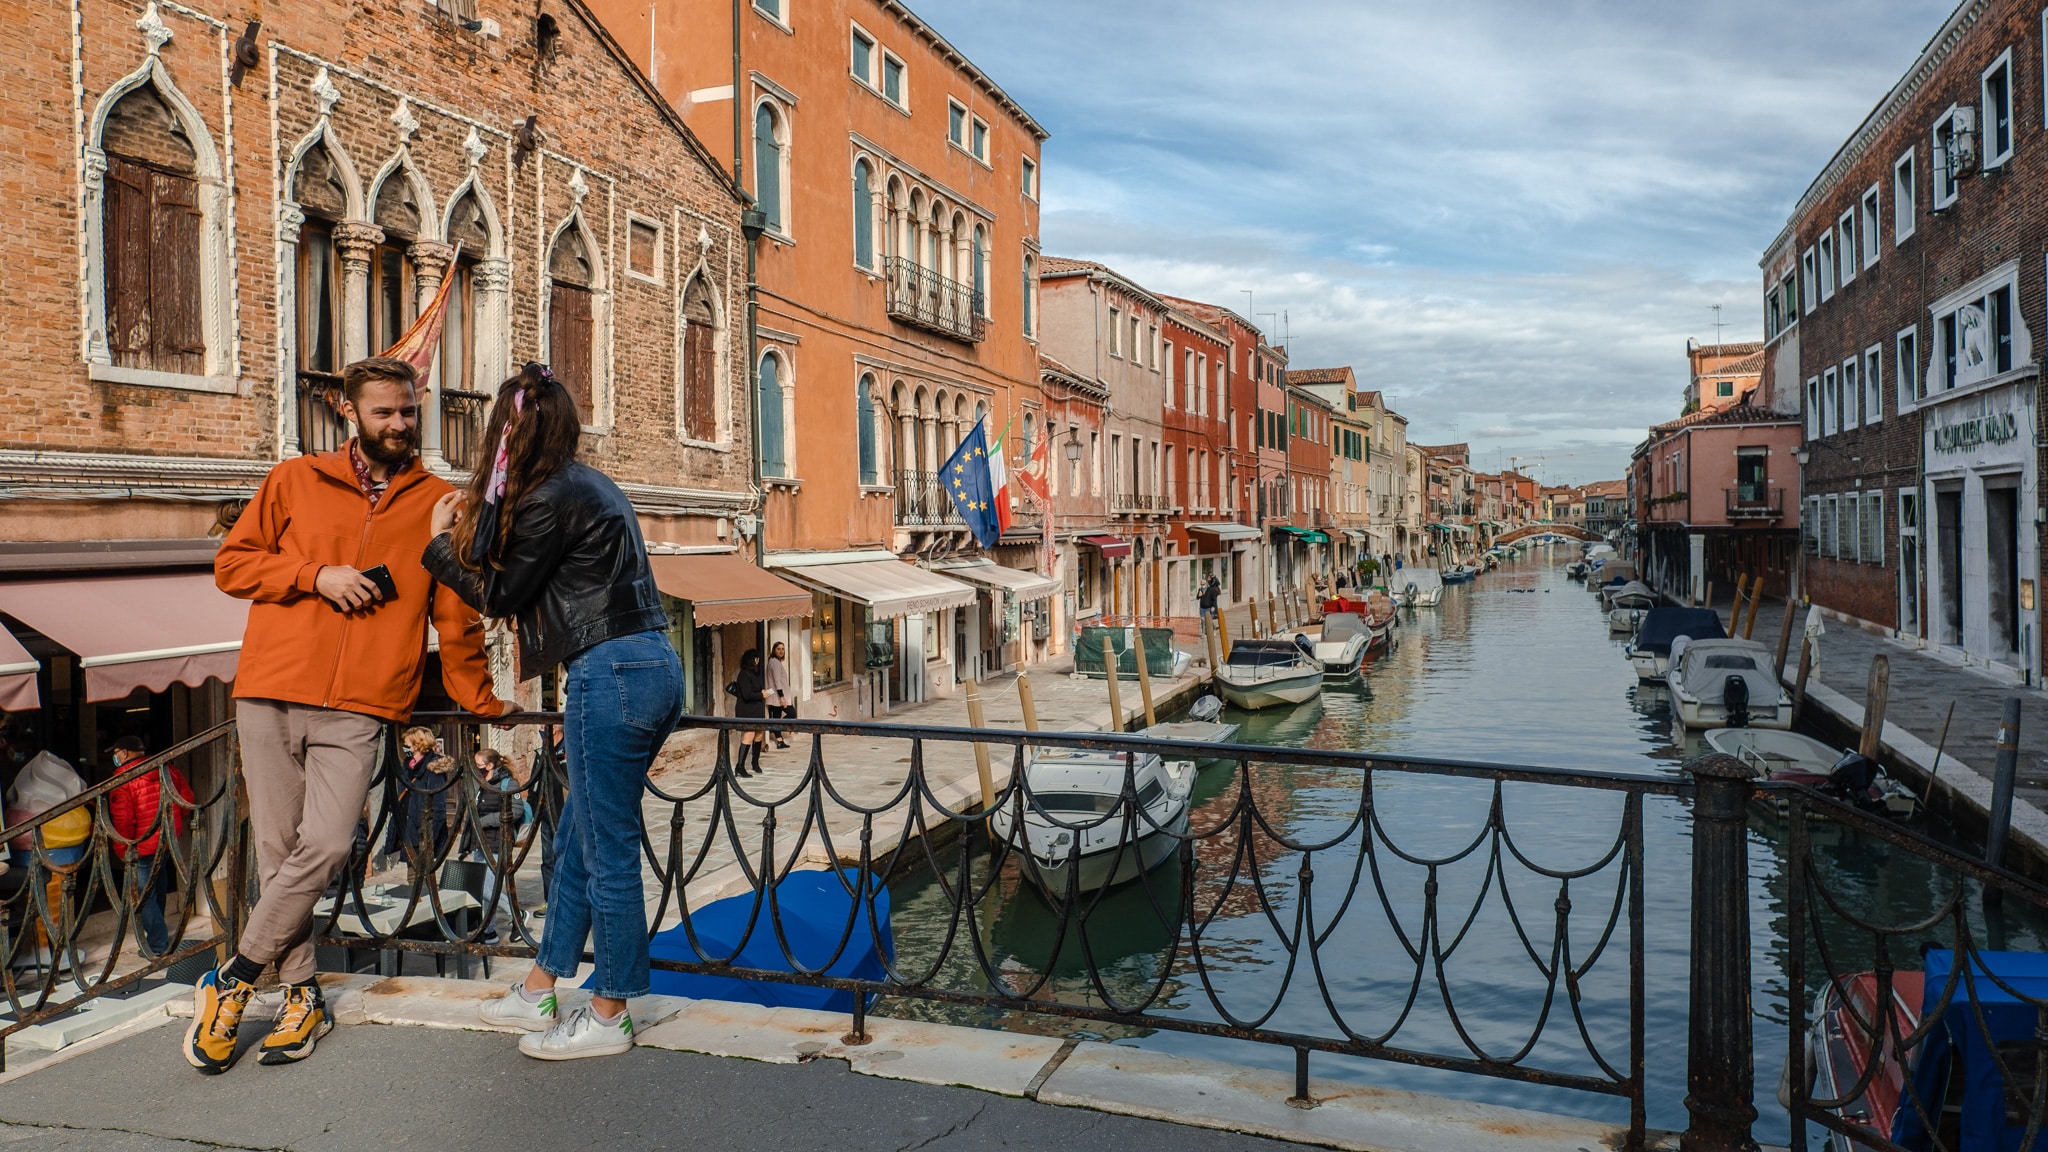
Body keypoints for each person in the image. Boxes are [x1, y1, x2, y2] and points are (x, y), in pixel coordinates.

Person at [203, 355, 511, 1074]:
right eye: (385, 413)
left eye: (408, 410)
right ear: (350, 413)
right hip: (271, 690)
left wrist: (483, 701)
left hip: (363, 703)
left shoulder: (440, 502)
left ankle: (233, 980)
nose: (401, 424)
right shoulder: (293, 480)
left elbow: (456, 615)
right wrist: (316, 576)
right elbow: (233, 566)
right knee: (282, 856)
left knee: (331, 844)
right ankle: (301, 995)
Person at [423, 362, 683, 1061]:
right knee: (576, 838)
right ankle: (542, 983)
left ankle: (608, 1011)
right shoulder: (581, 486)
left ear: (504, 436)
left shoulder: (549, 497)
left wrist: (435, 545)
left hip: (612, 670)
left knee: (608, 850)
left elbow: (500, 593)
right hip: (643, 665)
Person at [105, 736, 194, 959]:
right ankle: (159, 936)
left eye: (116, 753)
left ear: (124, 753)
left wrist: (122, 851)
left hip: (141, 846)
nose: (115, 758)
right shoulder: (166, 768)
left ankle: (157, 945)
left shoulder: (123, 780)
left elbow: (123, 821)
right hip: (167, 840)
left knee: (142, 897)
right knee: (157, 888)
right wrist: (176, 827)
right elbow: (187, 800)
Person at [731, 649, 768, 776]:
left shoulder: (755, 674)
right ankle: (740, 766)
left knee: (759, 734)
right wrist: (761, 694)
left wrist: (762, 692)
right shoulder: (744, 674)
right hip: (747, 709)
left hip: (757, 709)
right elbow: (747, 695)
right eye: (756, 658)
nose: (758, 661)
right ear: (752, 660)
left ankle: (755, 763)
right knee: (748, 735)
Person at [764, 642, 792, 750]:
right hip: (777, 695)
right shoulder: (775, 662)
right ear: (774, 650)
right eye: (778, 649)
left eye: (783, 649)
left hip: (776, 695)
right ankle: (774, 728)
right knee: (791, 713)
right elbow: (777, 681)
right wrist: (782, 696)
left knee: (776, 716)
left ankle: (779, 740)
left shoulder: (774, 662)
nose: (781, 651)